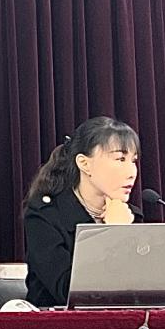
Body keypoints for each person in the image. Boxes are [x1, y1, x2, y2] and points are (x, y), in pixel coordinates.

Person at [22, 116, 144, 307]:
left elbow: (141, 288)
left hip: (121, 321)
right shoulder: (45, 215)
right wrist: (113, 233)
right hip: (59, 323)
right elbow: (68, 292)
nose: (131, 172)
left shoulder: (129, 215)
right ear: (84, 164)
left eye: (133, 160)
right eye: (120, 159)